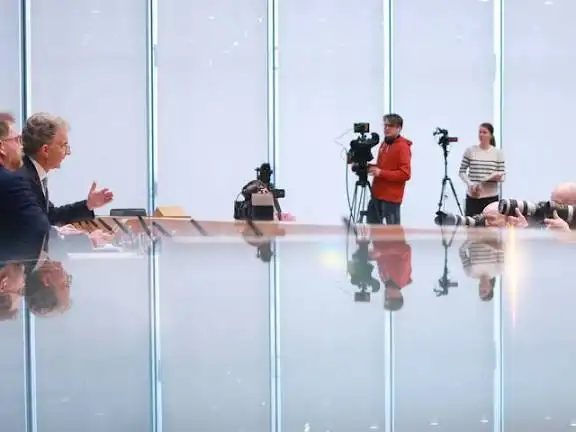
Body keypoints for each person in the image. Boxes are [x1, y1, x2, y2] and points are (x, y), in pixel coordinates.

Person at [20, 113, 114, 226]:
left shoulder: (33, 174)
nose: (68, 152)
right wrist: (61, 234)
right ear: (45, 150)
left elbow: (50, 216)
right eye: (63, 145)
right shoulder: (22, 180)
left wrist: (89, 204)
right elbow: (32, 228)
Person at [0, 112, 51, 260]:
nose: (21, 147)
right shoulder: (12, 181)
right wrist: (17, 266)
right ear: (1, 147)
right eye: (17, 140)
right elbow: (39, 227)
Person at [367, 113, 412, 225]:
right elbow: (382, 166)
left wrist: (381, 173)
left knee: (393, 233)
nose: (386, 128)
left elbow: (405, 174)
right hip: (377, 194)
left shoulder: (403, 147)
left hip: (391, 198)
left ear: (399, 128)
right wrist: (367, 167)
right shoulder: (384, 144)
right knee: (373, 228)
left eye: (390, 126)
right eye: (385, 125)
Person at [459, 123, 505, 217]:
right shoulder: (470, 150)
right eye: (480, 132)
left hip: (491, 198)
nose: (481, 135)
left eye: (484, 132)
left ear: (490, 135)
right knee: (471, 223)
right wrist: (470, 184)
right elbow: (462, 171)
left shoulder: (498, 153)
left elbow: (503, 176)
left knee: (491, 224)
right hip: (473, 196)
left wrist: (496, 177)